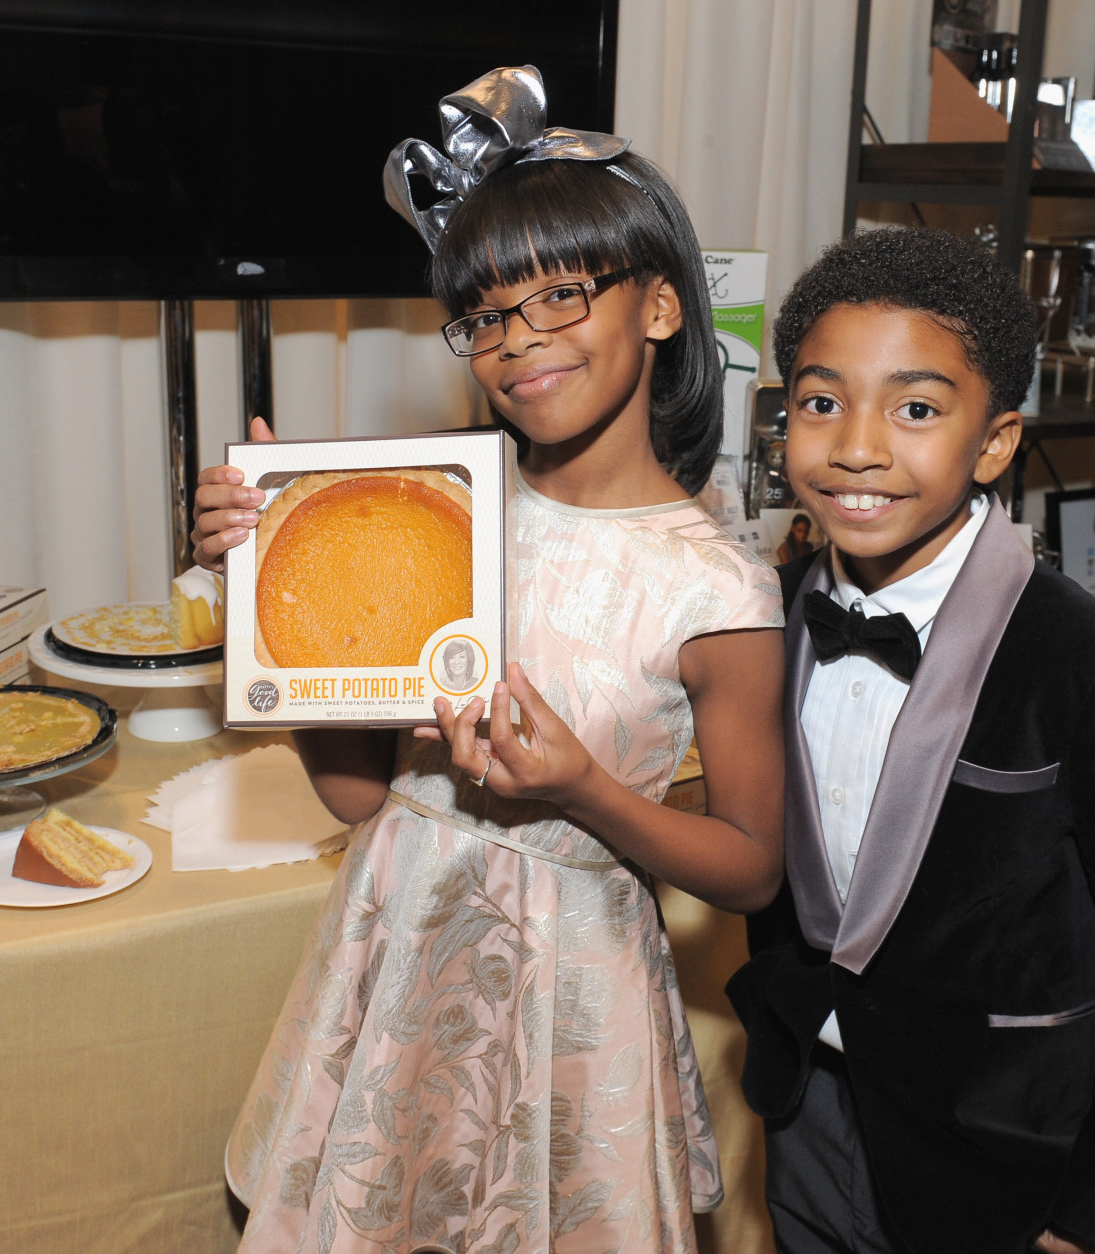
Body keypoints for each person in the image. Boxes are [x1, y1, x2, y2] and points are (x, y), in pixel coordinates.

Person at [191, 66, 785, 1254]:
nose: (521, 342)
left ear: (662, 308)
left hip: (576, 1000)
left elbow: (753, 872)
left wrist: (584, 793)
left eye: (561, 295)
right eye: (489, 314)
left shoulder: (715, 585)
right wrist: (276, 603)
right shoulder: (434, 510)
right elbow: (367, 801)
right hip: (396, 968)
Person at [724, 226, 1095, 1254]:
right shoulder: (767, 616)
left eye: (916, 409)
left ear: (997, 441)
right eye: (820, 403)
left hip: (1008, 1163)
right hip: (809, 1111)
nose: (857, 447)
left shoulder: (1092, 665)